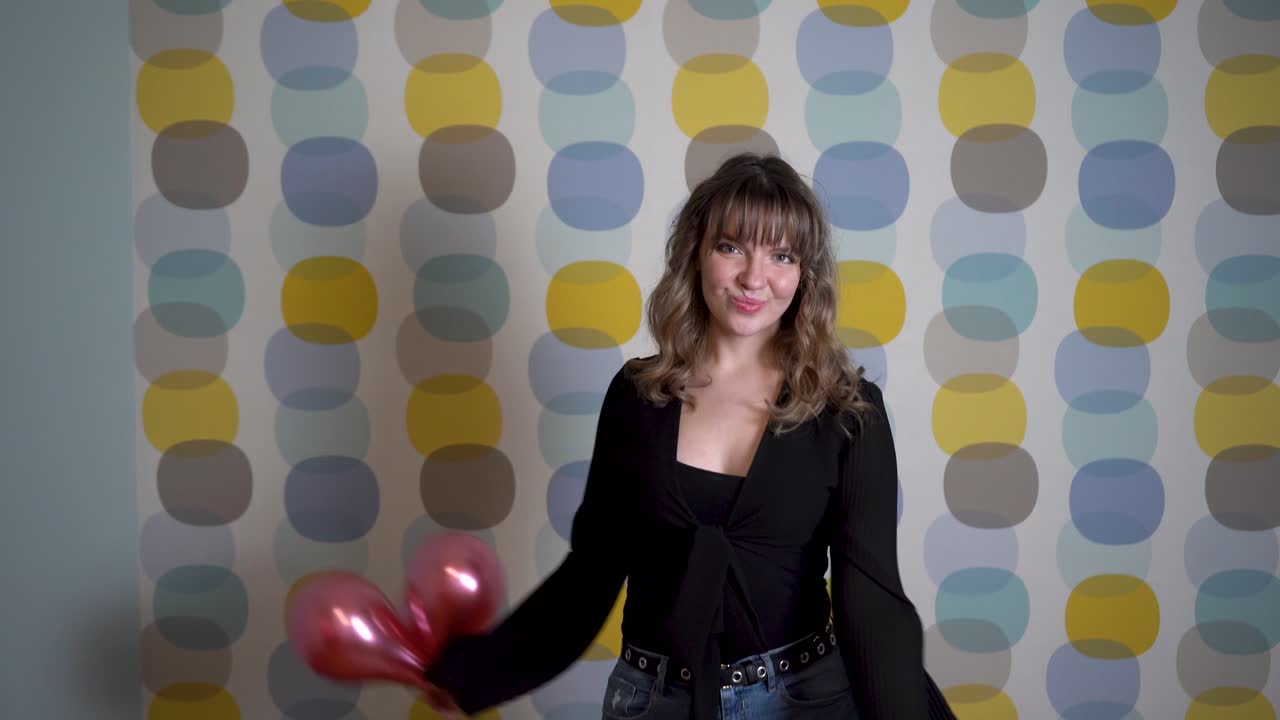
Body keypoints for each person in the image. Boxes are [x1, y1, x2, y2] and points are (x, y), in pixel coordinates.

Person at [421, 153, 957, 719]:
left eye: (781, 255)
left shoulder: (847, 411)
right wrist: (478, 677)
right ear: (696, 252)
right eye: (732, 247)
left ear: (805, 274)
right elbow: (590, 573)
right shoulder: (636, 396)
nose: (754, 278)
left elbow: (872, 601)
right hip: (651, 702)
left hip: (806, 702)